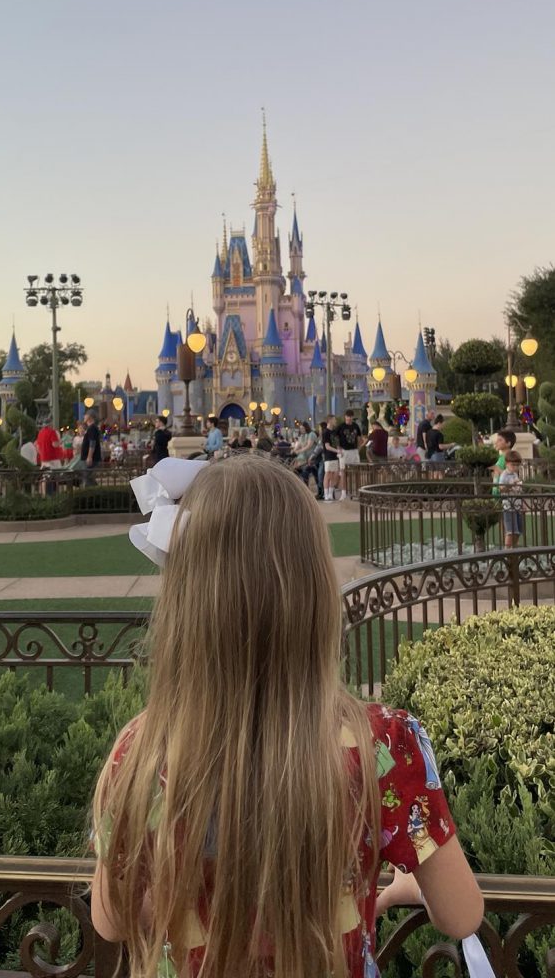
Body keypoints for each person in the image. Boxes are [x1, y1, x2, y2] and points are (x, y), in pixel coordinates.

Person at [91, 456, 484, 978]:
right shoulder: (383, 743)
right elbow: (461, 915)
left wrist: (195, 898)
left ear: (186, 599)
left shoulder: (142, 750)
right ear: (315, 590)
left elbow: (112, 918)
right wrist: (383, 894)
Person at [499, 449, 524, 548]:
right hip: (508, 506)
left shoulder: (515, 474)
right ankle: (507, 551)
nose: (515, 467)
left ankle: (514, 550)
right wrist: (511, 485)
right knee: (510, 531)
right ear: (507, 464)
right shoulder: (504, 475)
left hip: (517, 505)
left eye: (517, 465)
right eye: (513, 465)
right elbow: (501, 489)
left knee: (518, 531)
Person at [336, 409, 362, 501]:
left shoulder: (356, 426)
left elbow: (359, 437)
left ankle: (359, 491)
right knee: (343, 472)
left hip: (354, 451)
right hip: (345, 451)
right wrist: (338, 448)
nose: (349, 419)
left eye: (351, 417)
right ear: (345, 417)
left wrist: (358, 448)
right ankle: (343, 493)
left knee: (357, 471)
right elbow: (336, 437)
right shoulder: (341, 426)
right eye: (348, 417)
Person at [491, 429, 516, 496]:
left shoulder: (510, 458)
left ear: (508, 443)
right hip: (497, 492)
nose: (496, 442)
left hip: (505, 495)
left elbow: (511, 476)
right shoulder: (500, 457)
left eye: (500, 440)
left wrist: (498, 470)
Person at [80, 410, 102, 481]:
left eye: (85, 415)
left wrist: (89, 457)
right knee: (89, 478)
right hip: (89, 457)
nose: (84, 417)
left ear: (89, 417)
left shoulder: (92, 428)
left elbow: (92, 443)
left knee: (87, 479)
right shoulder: (91, 428)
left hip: (90, 458)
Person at [322, 413, 339, 500]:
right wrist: (337, 451)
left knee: (334, 474)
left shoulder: (334, 432)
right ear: (330, 420)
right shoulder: (325, 432)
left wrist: (338, 450)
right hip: (328, 456)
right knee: (328, 473)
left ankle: (330, 493)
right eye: (334, 419)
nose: (335, 421)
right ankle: (326, 494)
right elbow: (327, 446)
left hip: (335, 456)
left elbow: (336, 443)